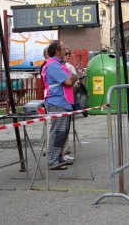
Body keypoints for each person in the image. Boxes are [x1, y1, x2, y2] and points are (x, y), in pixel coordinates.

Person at [42, 40, 78, 170]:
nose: (65, 51)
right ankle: (52, 161)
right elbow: (69, 81)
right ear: (57, 51)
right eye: (63, 49)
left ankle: (58, 157)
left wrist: (73, 77)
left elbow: (71, 78)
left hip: (64, 102)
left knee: (62, 132)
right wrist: (74, 77)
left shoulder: (59, 64)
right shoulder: (52, 65)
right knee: (57, 132)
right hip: (56, 102)